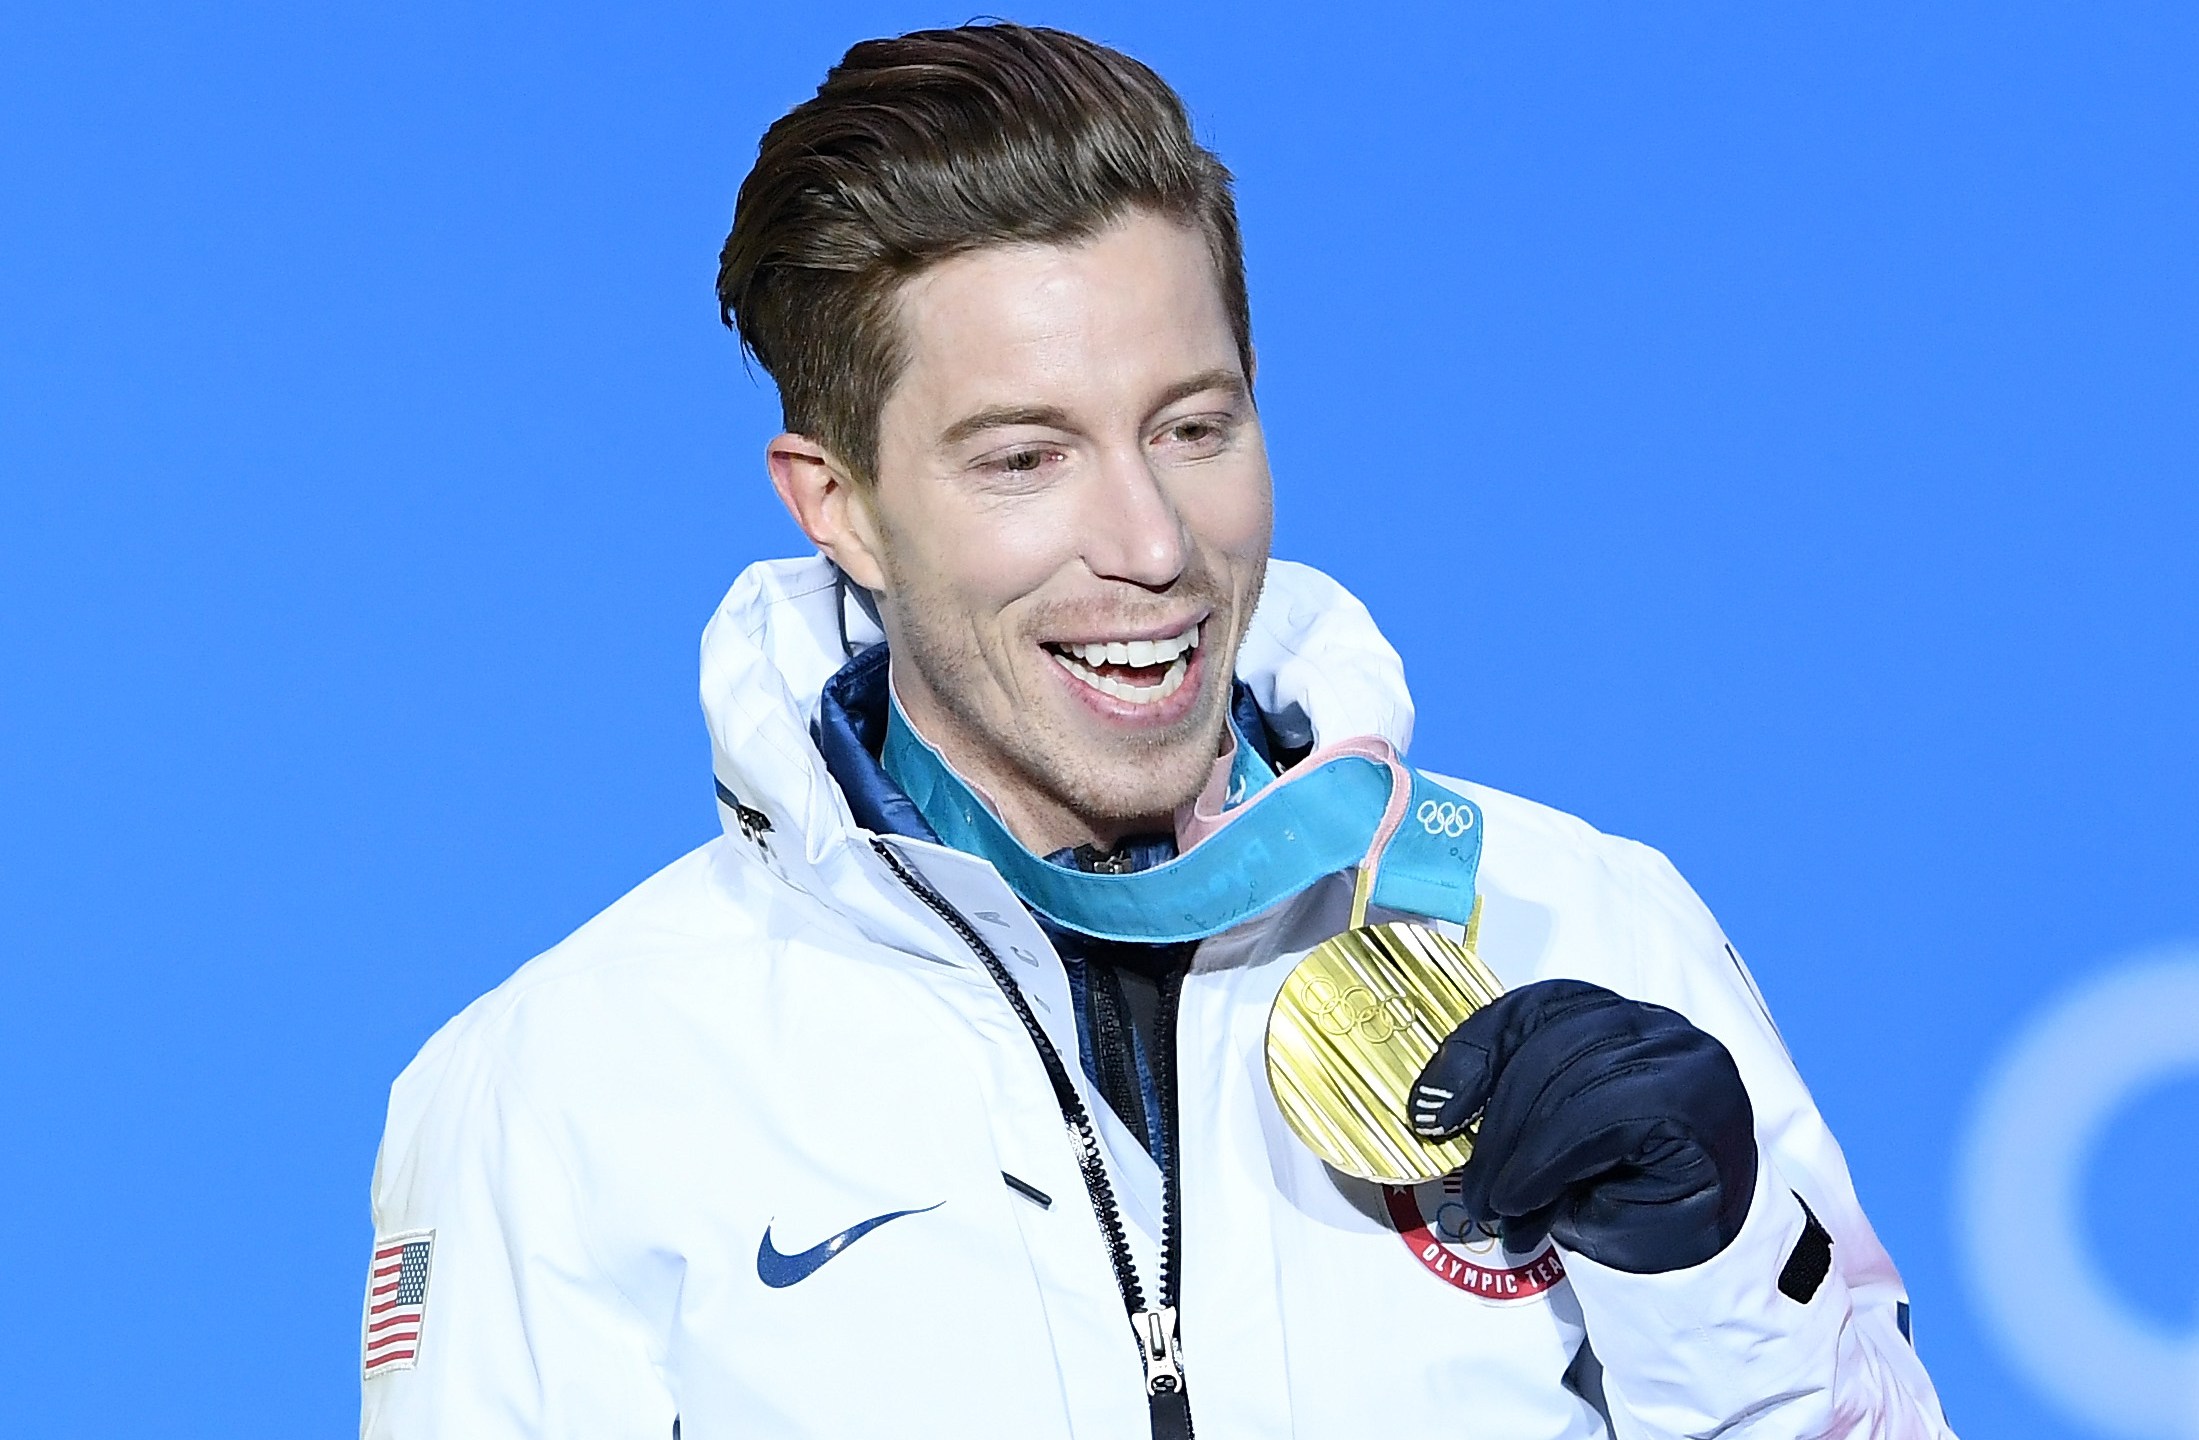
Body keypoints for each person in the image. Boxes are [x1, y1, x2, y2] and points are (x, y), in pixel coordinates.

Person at [362, 22, 1954, 1439]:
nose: (1149, 541)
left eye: (1194, 426)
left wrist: (1723, 1272)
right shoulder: (565, 1083)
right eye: (1022, 458)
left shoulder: (1572, 921)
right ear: (835, 502)